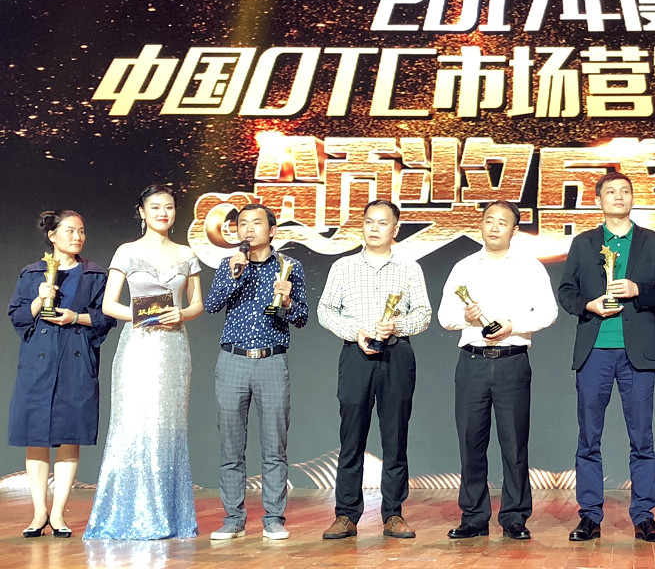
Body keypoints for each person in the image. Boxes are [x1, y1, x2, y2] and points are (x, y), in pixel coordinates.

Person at [557, 172, 655, 543]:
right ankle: (590, 516)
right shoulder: (584, 243)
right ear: (599, 200)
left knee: (642, 439)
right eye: (610, 192)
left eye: (625, 191)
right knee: (588, 439)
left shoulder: (652, 241)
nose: (618, 196)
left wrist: (638, 289)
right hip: (594, 351)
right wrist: (589, 305)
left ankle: (644, 516)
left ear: (632, 198)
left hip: (636, 354)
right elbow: (566, 292)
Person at [84, 185, 204, 540]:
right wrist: (145, 315)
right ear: (141, 211)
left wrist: (181, 313)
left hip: (173, 347)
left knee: (168, 429)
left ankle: (170, 517)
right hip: (137, 347)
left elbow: (197, 303)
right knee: (133, 425)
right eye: (155, 207)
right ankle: (125, 516)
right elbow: (109, 305)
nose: (163, 213)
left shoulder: (186, 253)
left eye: (169, 207)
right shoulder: (127, 251)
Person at [439, 201, 558, 541]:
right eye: (488, 220)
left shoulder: (530, 267)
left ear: (514, 230)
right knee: (470, 441)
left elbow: (548, 311)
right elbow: (445, 316)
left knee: (514, 442)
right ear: (480, 225)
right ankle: (473, 517)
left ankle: (515, 517)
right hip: (472, 361)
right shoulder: (464, 267)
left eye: (502, 222)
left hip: (512, 361)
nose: (494, 227)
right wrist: (466, 317)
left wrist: (512, 324)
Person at [318, 200, 431, 541]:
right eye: (369, 221)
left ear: (395, 229)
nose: (374, 228)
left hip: (397, 354)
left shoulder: (409, 268)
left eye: (382, 223)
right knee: (351, 437)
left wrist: (397, 325)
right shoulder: (343, 267)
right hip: (355, 355)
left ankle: (393, 514)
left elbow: (423, 314)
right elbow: (325, 310)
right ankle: (346, 514)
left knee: (395, 437)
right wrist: (355, 332)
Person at [203, 203, 308, 541]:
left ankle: (274, 518)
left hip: (271, 361)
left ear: (271, 230)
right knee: (231, 447)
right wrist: (234, 275)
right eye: (242, 224)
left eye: (256, 223)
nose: (248, 229)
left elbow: (302, 318)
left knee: (275, 447)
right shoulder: (229, 264)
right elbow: (212, 305)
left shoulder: (289, 267)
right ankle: (233, 519)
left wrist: (287, 302)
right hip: (232, 360)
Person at [8, 210, 115, 538]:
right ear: (52, 235)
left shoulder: (95, 274)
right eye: (70, 231)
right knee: (35, 435)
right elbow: (17, 317)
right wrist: (39, 300)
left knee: (71, 433)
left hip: (75, 360)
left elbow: (106, 317)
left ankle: (58, 512)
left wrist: (75, 317)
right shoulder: (32, 273)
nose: (77, 237)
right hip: (38, 363)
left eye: (81, 231)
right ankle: (39, 511)